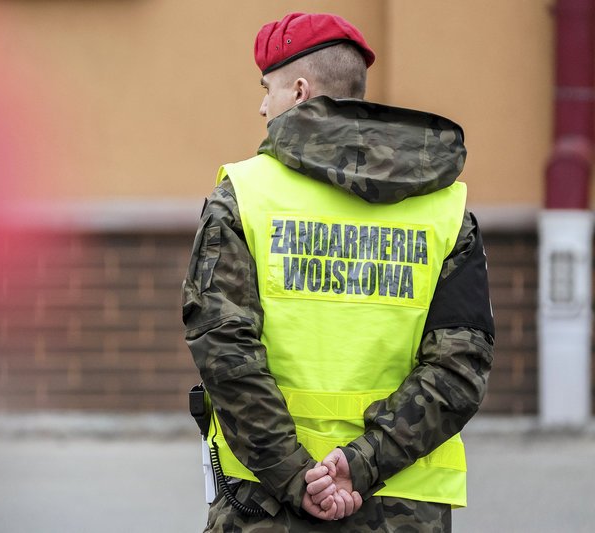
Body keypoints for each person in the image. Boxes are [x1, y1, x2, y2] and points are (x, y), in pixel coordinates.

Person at [182, 11, 495, 532]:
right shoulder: (444, 210)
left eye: (267, 89)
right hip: (403, 505)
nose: (262, 106)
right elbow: (461, 367)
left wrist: (294, 473)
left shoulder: (244, 196)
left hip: (265, 504)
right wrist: (362, 462)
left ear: (299, 92)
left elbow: (224, 351)